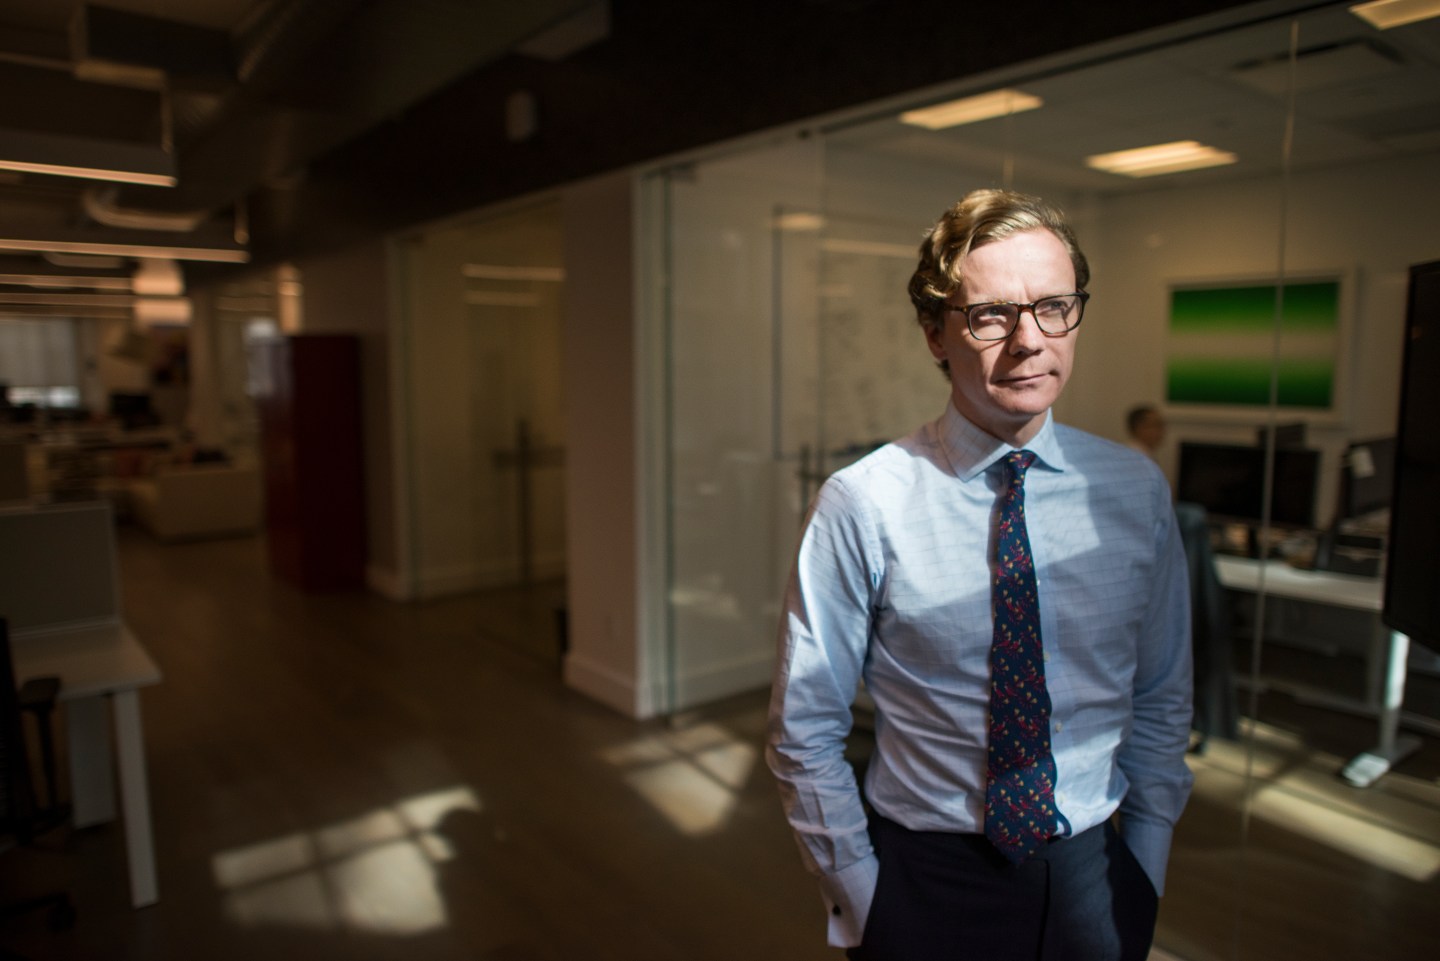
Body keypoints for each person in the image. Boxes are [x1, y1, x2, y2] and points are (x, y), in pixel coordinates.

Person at [766, 188, 1193, 961]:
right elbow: (804, 727)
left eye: (1054, 306)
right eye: (991, 314)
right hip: (926, 882)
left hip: (1095, 873)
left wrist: (1147, 871)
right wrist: (866, 901)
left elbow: (1162, 696)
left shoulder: (1134, 492)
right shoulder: (864, 502)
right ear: (936, 333)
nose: (1029, 340)